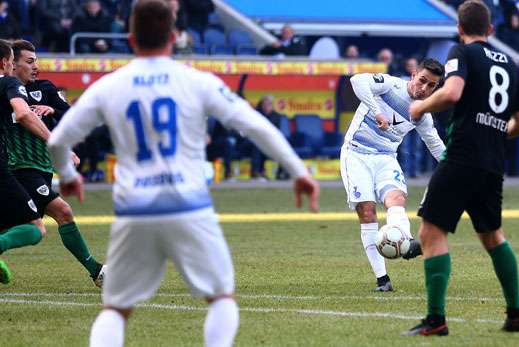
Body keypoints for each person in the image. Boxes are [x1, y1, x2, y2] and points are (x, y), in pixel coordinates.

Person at [47, 2, 320, 347]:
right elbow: (254, 125)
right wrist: (298, 171)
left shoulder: (109, 86)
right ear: (174, 37)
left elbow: (57, 141)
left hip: (135, 210)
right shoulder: (196, 81)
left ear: (130, 39)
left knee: (116, 309)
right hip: (188, 206)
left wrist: (68, 174)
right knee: (221, 299)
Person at [405, 0, 519, 336]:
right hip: (492, 161)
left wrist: (421, 107)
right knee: (492, 236)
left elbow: (452, 92)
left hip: (461, 155)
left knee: (431, 233)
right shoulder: (511, 64)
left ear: (460, 30)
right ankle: (516, 314)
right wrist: (494, 130)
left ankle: (436, 320)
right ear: (490, 29)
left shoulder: (460, 53)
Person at [341, 58, 446, 292]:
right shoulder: (390, 85)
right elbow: (357, 80)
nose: (424, 88)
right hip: (356, 154)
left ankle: (405, 244)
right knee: (367, 211)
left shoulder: (422, 114)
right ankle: (382, 279)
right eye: (422, 81)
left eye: (431, 86)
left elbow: (435, 145)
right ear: (413, 75)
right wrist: (377, 112)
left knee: (396, 199)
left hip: (386, 157)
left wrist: (457, 166)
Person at [10, 39, 106, 287]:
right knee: (61, 212)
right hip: (19, 167)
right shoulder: (6, 91)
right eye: (29, 62)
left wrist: (52, 109)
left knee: (20, 226)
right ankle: (97, 271)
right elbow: (21, 116)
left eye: (36, 61)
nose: (35, 66)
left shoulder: (45, 88)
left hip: (42, 167)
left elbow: (72, 115)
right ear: (12, 64)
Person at [0, 39, 48, 284]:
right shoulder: (8, 82)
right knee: (36, 227)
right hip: (2, 170)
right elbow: (22, 112)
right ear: (5, 63)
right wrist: (53, 140)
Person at [250, 95, 286, 180]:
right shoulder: (257, 114)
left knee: (281, 146)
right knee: (257, 146)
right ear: (262, 105)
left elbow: (276, 131)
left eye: (268, 104)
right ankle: (257, 172)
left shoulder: (276, 116)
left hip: (271, 140)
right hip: (258, 139)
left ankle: (281, 173)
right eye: (264, 104)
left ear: (272, 105)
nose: (266, 106)